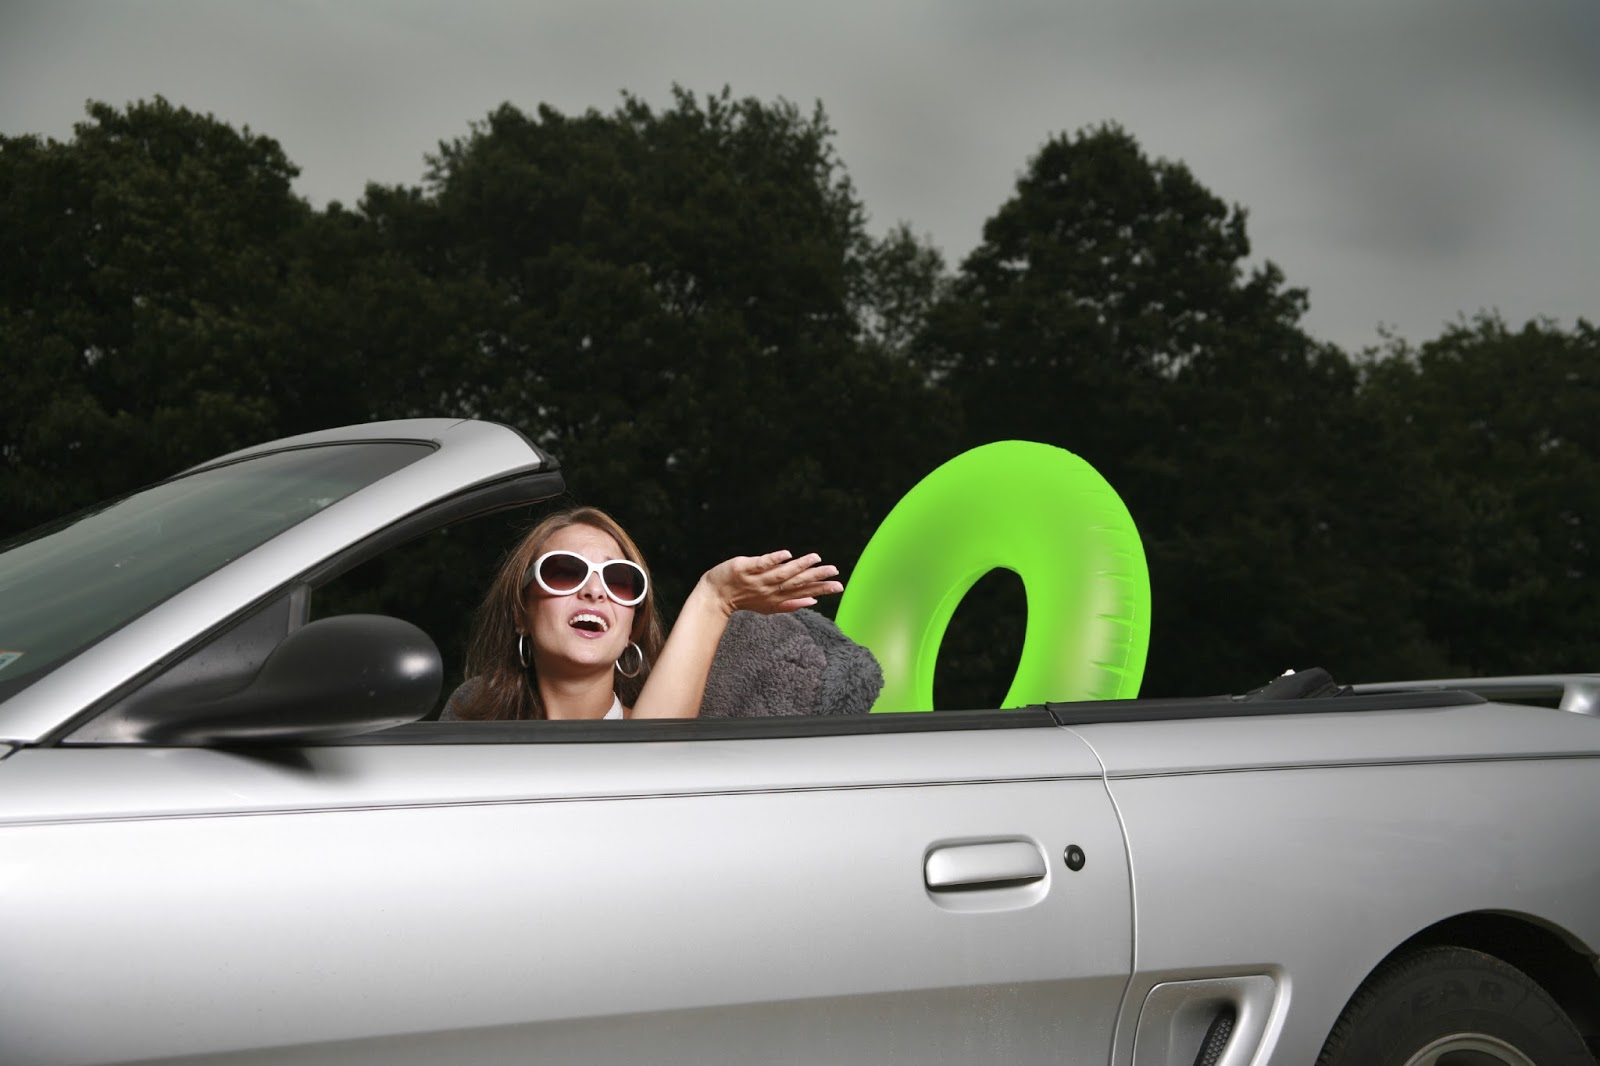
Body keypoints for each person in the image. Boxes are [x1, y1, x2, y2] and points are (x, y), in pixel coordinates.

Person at [443, 506, 843, 720]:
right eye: (564, 571)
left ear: (632, 626)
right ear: (521, 613)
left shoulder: (671, 736)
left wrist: (714, 599)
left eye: (619, 579)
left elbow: (642, 767)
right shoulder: (472, 739)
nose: (594, 590)